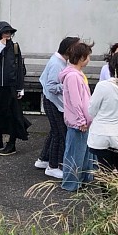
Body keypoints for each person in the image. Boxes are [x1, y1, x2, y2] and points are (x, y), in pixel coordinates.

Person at [36, 36, 80, 180]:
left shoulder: (60, 61)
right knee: (60, 134)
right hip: (53, 101)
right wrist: (70, 84)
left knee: (55, 131)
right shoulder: (57, 63)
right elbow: (51, 86)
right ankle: (53, 166)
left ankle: (44, 159)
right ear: (69, 50)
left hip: (52, 100)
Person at [0, 21, 29, 155]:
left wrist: (20, 87)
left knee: (13, 115)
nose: (7, 35)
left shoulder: (15, 47)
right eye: (5, 32)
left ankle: (12, 143)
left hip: (11, 86)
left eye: (9, 32)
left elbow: (19, 67)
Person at [60, 41, 95, 192]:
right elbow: (75, 101)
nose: (89, 60)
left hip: (84, 121)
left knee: (84, 153)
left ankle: (82, 180)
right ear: (81, 58)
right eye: (88, 57)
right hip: (78, 122)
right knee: (75, 154)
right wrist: (81, 120)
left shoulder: (77, 74)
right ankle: (71, 183)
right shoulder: (72, 76)